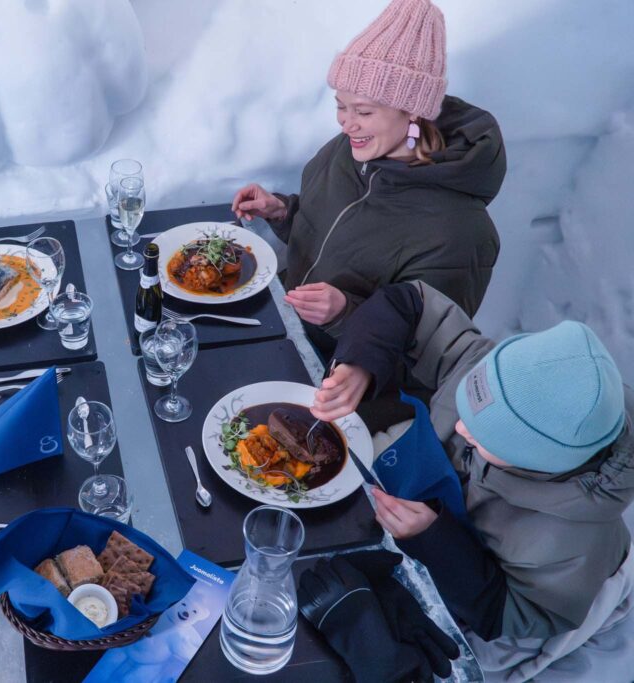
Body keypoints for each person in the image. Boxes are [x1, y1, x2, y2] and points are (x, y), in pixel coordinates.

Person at [310, 280, 634, 681]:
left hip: (533, 592)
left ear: (534, 462)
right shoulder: (494, 376)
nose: (461, 427)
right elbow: (411, 303)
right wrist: (360, 361)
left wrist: (435, 539)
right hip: (445, 495)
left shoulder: (567, 542)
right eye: (466, 409)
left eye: (484, 435)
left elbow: (511, 616)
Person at [231, 0, 505, 427]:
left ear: (412, 109)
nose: (346, 124)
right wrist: (284, 212)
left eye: (363, 111)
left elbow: (428, 354)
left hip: (348, 398)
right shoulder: (353, 150)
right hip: (286, 334)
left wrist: (344, 313)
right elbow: (337, 232)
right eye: (341, 105)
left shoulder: (459, 232)